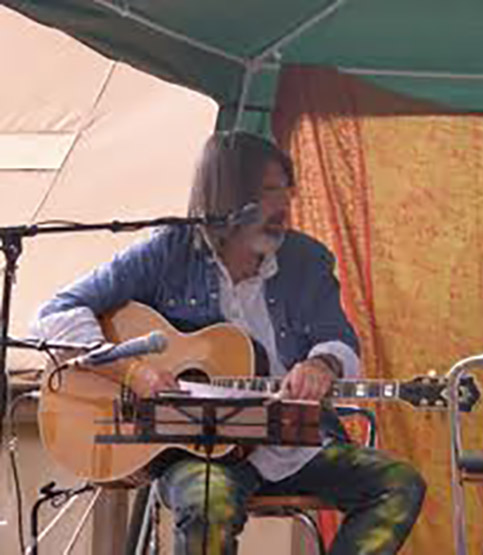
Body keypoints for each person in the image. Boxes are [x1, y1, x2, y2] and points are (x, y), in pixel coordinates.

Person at [32, 131, 426, 554]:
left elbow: (338, 338)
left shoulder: (306, 260)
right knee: (208, 501)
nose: (284, 206)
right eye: (270, 191)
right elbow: (55, 315)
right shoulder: (168, 253)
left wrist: (322, 365)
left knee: (399, 484)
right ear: (229, 195)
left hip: (291, 444)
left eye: (287, 191)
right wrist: (133, 372)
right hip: (198, 453)